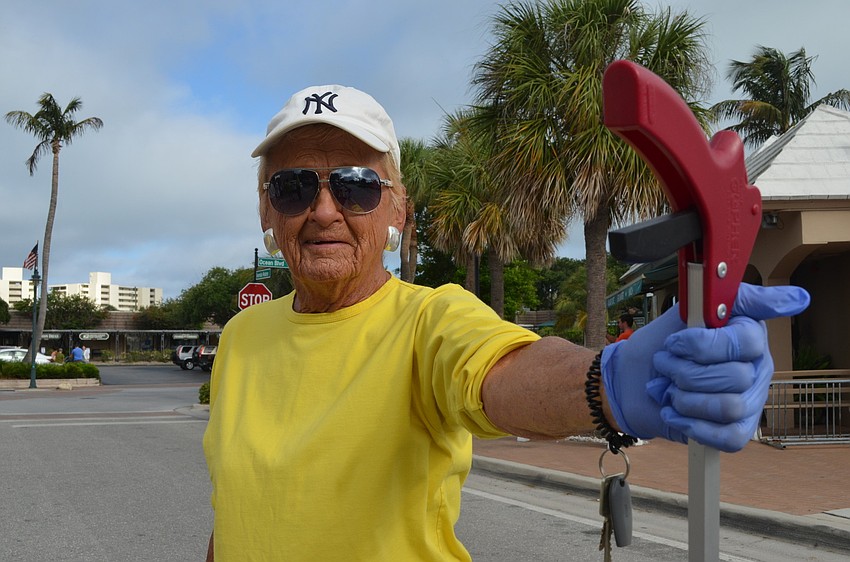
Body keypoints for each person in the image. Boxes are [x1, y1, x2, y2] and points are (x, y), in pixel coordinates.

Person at [202, 84, 810, 561]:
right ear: (265, 207)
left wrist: (611, 380)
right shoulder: (241, 337)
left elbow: (503, 372)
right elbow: (239, 514)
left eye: (357, 186)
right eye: (293, 187)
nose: (325, 209)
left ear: (398, 209)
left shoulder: (429, 320)